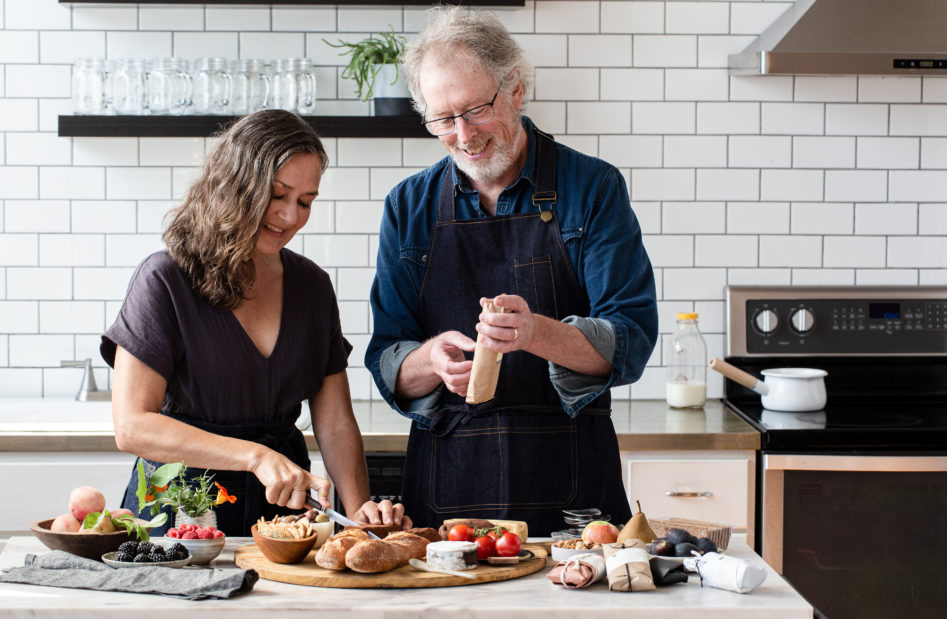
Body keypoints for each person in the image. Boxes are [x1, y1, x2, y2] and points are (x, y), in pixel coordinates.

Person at [365, 7, 658, 536]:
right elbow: (388, 359)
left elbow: (631, 341)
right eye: (442, 119)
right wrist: (429, 360)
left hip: (573, 499)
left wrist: (536, 333)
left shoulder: (592, 189)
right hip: (445, 493)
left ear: (516, 89)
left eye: (476, 110)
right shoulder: (406, 207)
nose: (463, 134)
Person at [101, 110, 409, 537]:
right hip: (181, 513)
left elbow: (335, 422)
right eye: (277, 194)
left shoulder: (312, 287)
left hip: (285, 519)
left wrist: (359, 511)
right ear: (236, 184)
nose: (289, 216)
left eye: (305, 202)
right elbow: (132, 426)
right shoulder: (165, 279)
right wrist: (255, 456)